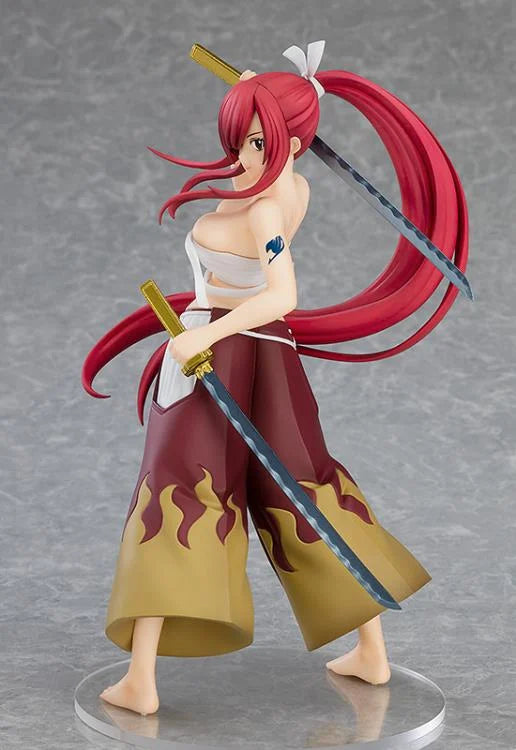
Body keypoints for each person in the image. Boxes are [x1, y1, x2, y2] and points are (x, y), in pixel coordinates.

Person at [81, 42, 468, 716]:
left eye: (258, 143)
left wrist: (203, 335)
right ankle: (369, 651)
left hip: (221, 358)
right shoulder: (291, 190)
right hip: (265, 361)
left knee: (181, 492)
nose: (243, 157)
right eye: (238, 140)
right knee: (297, 490)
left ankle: (142, 680)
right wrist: (277, 103)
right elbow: (279, 174)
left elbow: (281, 294)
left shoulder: (264, 210)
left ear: (291, 144)